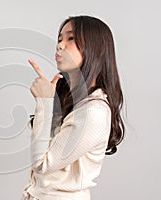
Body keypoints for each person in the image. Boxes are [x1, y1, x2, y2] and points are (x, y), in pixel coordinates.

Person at [21, 15, 125, 200]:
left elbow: (42, 164)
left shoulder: (94, 112)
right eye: (60, 39)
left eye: (71, 38)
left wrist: (44, 102)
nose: (60, 45)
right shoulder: (72, 101)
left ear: (96, 49)